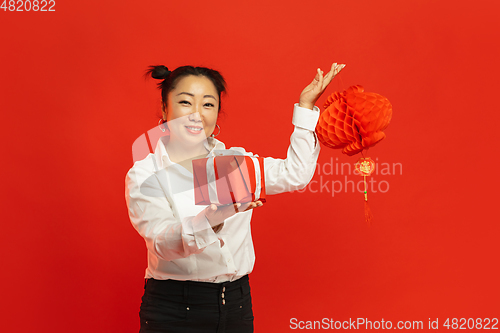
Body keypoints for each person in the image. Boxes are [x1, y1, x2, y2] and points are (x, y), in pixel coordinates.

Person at [125, 63, 345, 333]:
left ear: (217, 113)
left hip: (236, 305)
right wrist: (210, 220)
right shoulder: (146, 173)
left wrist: (306, 107)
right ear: (164, 109)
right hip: (175, 309)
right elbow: (162, 242)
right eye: (185, 102)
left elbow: (294, 174)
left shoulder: (235, 164)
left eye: (208, 105)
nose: (196, 115)